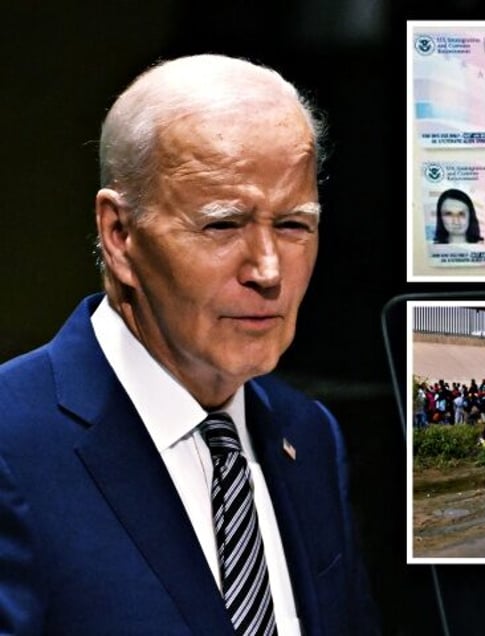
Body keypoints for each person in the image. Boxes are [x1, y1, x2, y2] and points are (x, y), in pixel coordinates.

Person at [0, 54, 378, 634]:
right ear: (120, 235)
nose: (268, 270)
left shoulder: (309, 434)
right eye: (223, 225)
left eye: (294, 225)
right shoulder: (12, 442)